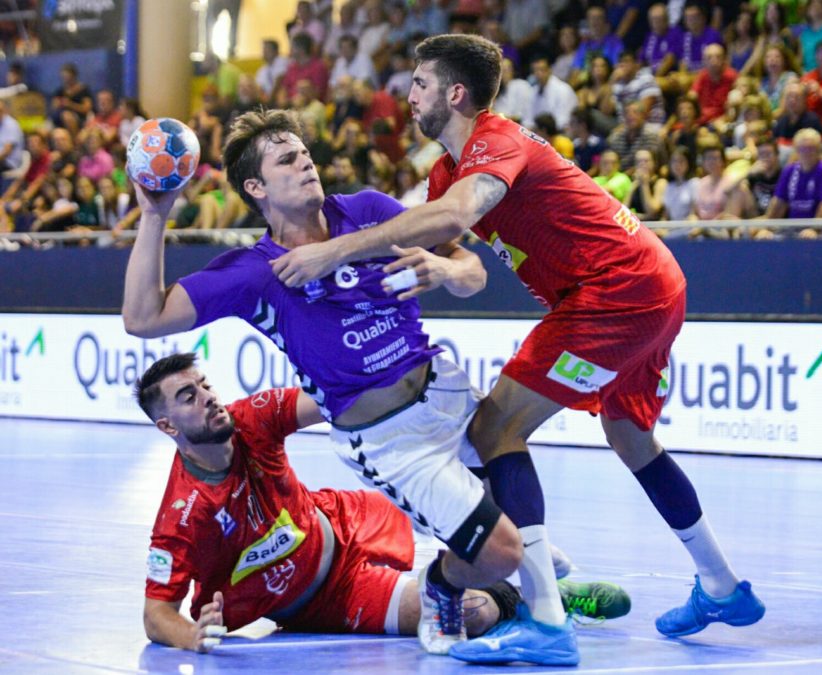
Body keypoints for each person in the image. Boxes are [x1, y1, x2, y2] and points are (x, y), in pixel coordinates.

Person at [268, 32, 765, 667]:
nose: (409, 95)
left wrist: (332, 250)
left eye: (420, 84)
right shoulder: (446, 171)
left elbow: (453, 218)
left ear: (454, 93)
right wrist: (437, 268)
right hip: (645, 285)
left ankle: (547, 622)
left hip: (614, 291)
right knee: (630, 438)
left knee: (495, 427)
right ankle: (722, 586)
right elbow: (446, 249)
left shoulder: (494, 140)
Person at [121, 108, 547, 658]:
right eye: (286, 160)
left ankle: (551, 603)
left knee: (525, 517)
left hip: (448, 392)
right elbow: (143, 318)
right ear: (255, 188)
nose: (306, 163)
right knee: (502, 552)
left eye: (304, 153)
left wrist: (446, 271)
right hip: (392, 440)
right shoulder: (255, 272)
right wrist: (155, 215)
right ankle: (452, 585)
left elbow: (473, 270)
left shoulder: (367, 210)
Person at [139, 353, 627, 653]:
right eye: (188, 396)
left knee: (453, 502)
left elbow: (336, 400)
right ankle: (545, 598)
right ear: (167, 426)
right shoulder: (181, 516)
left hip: (348, 518)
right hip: (329, 598)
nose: (208, 397)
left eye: (205, 385)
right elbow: (156, 614)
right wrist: (190, 636)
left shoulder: (250, 418)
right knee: (474, 613)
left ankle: (528, 562)